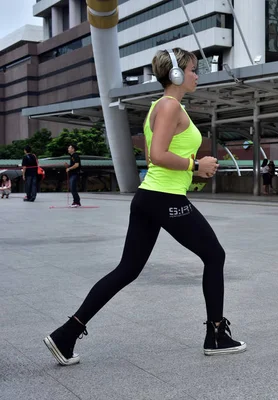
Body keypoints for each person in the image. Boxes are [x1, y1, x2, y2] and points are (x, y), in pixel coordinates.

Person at [43, 47, 246, 366]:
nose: (197, 75)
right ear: (177, 74)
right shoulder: (168, 107)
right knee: (214, 255)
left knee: (128, 269)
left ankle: (65, 335)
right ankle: (216, 334)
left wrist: (192, 168)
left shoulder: (165, 106)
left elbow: (158, 155)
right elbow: (157, 156)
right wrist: (196, 166)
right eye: (193, 69)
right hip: (164, 198)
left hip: (150, 198)